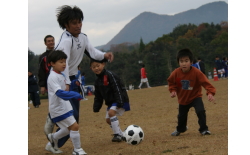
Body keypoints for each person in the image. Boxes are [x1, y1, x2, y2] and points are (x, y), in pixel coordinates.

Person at [43, 5, 114, 152]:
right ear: (66, 25)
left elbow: (92, 52)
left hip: (74, 79)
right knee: (72, 118)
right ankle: (54, 124)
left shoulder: (83, 37)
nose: (78, 25)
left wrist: (104, 55)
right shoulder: (66, 41)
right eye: (74, 23)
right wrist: (67, 83)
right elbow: (64, 63)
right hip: (63, 80)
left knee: (73, 118)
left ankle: (53, 140)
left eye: (79, 22)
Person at [167, 48, 216, 136]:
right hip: (183, 99)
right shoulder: (176, 73)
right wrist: (173, 90)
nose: (184, 63)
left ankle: (204, 129)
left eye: (186, 61)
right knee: (181, 116)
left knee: (200, 111)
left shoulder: (197, 72)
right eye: (181, 61)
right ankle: (180, 129)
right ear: (178, 62)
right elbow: (171, 82)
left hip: (195, 96)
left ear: (191, 61)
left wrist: (210, 93)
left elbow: (206, 83)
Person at [46, 50, 87, 155]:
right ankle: (77, 150)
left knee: (69, 128)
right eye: (61, 62)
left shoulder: (60, 74)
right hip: (58, 109)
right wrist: (75, 94)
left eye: (64, 61)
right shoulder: (52, 77)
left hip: (64, 106)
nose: (64, 64)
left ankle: (53, 137)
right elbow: (60, 93)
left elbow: (64, 88)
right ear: (52, 63)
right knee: (74, 126)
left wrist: (73, 83)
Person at [90, 59, 130, 142]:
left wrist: (120, 101)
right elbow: (98, 96)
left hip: (119, 99)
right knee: (108, 120)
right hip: (110, 102)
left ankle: (117, 135)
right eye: (94, 67)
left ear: (103, 64)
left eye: (98, 66)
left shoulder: (110, 75)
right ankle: (121, 134)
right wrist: (96, 107)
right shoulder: (97, 81)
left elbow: (117, 88)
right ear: (91, 68)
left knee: (111, 113)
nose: (96, 68)